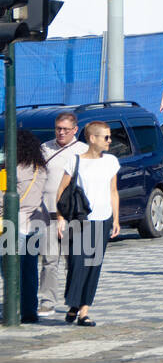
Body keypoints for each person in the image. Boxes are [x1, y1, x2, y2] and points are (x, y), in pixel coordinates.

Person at [54, 120, 120, 326]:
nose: (110, 141)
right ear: (93, 139)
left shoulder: (111, 161)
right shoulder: (75, 161)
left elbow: (113, 191)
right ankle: (73, 303)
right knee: (76, 263)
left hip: (103, 218)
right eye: (106, 137)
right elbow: (62, 190)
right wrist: (60, 218)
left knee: (93, 265)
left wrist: (116, 218)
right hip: (80, 220)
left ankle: (83, 311)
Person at [40, 112, 87, 318]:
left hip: (72, 216)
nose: (60, 132)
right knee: (49, 261)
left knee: (73, 262)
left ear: (75, 130)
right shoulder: (45, 148)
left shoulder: (84, 151)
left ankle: (73, 302)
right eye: (58, 128)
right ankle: (47, 302)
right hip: (47, 214)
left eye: (65, 129)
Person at [17, 129, 55, 324]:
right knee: (30, 268)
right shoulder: (40, 169)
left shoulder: (13, 170)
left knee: (11, 267)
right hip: (37, 222)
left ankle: (14, 305)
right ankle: (29, 311)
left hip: (16, 223)